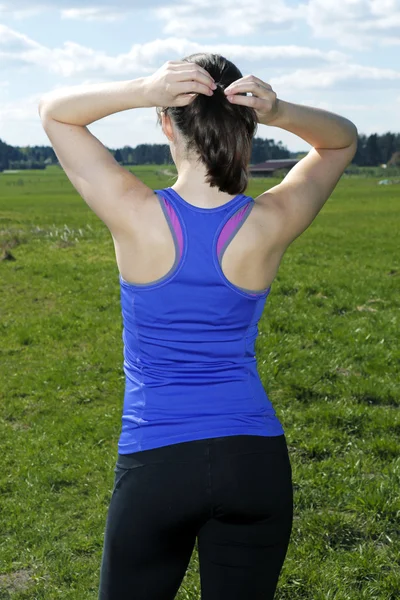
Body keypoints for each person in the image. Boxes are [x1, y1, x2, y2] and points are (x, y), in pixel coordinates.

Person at [38, 52, 358, 600]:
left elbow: (54, 113)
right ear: (246, 124)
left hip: (157, 462)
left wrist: (145, 88)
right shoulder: (269, 222)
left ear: (168, 121)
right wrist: (277, 110)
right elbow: (341, 140)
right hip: (253, 460)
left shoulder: (134, 211)